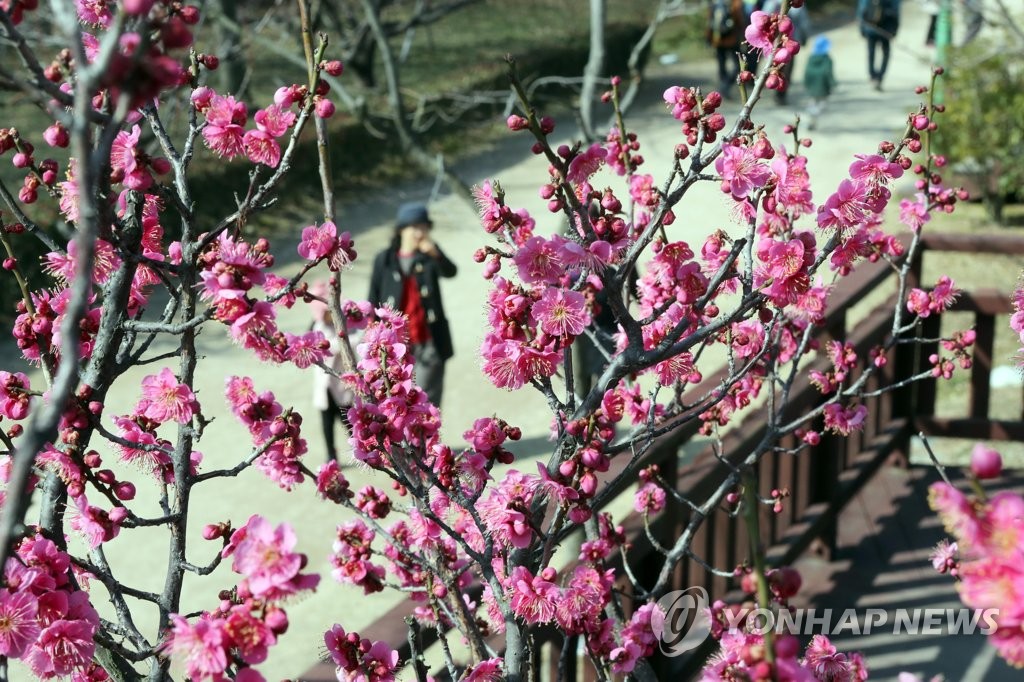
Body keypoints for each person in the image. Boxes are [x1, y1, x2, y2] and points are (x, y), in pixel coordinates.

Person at [367, 202, 457, 407]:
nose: (420, 232)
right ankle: (410, 440)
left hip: (429, 339)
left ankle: (428, 438)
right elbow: (373, 296)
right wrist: (372, 331)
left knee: (425, 399)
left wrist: (436, 253)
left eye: (425, 227)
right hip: (396, 345)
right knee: (399, 398)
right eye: (415, 227)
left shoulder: (429, 255)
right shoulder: (384, 259)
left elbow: (450, 272)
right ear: (402, 230)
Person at [309, 280, 355, 463]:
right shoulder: (318, 328)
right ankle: (331, 455)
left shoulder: (344, 325)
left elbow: (355, 339)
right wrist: (336, 344)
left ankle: (361, 447)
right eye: (326, 312)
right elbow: (321, 348)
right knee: (327, 425)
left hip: (342, 385)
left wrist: (340, 343)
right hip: (325, 387)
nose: (330, 315)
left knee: (349, 420)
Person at [763, 0, 811, 104]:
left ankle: (778, 92)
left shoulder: (771, 3)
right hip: (787, 41)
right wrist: (804, 37)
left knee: (773, 66)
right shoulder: (794, 6)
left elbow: (764, 17)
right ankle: (780, 95)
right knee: (786, 70)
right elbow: (804, 23)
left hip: (778, 43)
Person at [857, 0, 901, 91]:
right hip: (886, 29)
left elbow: (861, 9)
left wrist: (862, 28)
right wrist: (894, 30)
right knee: (885, 54)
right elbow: (896, 11)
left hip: (870, 27)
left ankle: (873, 76)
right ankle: (879, 77)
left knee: (871, 53)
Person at [707, 0, 747, 97]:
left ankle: (723, 86)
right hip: (732, 40)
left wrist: (708, 39)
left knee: (722, 65)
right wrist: (743, 39)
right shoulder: (735, 3)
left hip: (718, 40)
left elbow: (709, 23)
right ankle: (726, 86)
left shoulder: (715, 3)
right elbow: (740, 22)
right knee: (737, 66)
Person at [803, 36, 836, 131]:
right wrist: (833, 84)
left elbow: (807, 72)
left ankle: (811, 120)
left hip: (812, 86)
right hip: (823, 87)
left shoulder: (810, 58)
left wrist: (806, 83)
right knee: (822, 104)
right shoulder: (827, 59)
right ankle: (812, 118)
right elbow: (828, 73)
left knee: (812, 103)